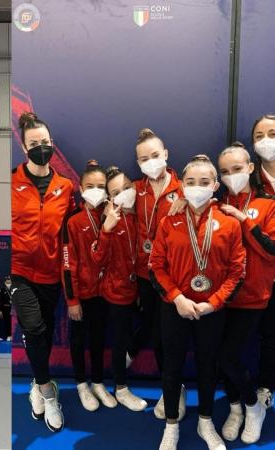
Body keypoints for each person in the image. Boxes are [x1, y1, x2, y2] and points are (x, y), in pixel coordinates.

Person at [150, 155, 246, 450]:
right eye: (190, 182)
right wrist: (177, 298)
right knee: (172, 366)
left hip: (211, 310)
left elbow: (237, 271)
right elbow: (156, 265)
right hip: (175, 306)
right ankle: (171, 425)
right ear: (182, 186)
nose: (197, 187)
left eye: (204, 182)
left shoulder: (229, 224)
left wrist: (214, 303)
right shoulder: (170, 221)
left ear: (216, 185)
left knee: (207, 365)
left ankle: (206, 421)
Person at [11, 112, 75, 432]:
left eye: (45, 142)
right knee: (34, 329)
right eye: (34, 143)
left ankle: (37, 382)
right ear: (24, 148)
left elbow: (68, 234)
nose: (41, 147)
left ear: (52, 144)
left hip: (50, 274)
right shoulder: (9, 182)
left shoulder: (65, 187)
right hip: (19, 271)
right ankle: (49, 393)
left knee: (45, 333)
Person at [216, 143, 274, 443]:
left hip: (253, 296)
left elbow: (272, 250)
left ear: (250, 168)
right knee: (218, 355)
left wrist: (243, 220)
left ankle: (254, 408)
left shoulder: (267, 203)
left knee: (229, 354)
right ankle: (236, 407)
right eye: (224, 171)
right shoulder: (219, 201)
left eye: (236, 169)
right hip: (222, 296)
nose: (231, 176)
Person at [127, 128, 187, 420]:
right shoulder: (134, 189)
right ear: (137, 163)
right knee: (151, 329)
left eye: (155, 155)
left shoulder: (185, 188)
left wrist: (188, 199)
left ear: (166, 154)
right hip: (142, 273)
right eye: (143, 158)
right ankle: (170, 385)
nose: (150, 161)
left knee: (167, 337)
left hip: (171, 275)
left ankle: (174, 390)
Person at [93, 166, 147, 411]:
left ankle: (129, 354)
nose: (124, 194)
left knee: (151, 327)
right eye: (116, 192)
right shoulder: (110, 219)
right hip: (117, 291)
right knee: (120, 339)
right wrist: (106, 229)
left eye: (127, 188)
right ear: (109, 197)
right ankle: (121, 388)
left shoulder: (141, 215)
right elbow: (97, 259)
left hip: (141, 286)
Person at [61, 160, 113, 412]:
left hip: (106, 292)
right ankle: (82, 384)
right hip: (82, 294)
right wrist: (72, 299)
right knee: (79, 341)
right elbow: (67, 262)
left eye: (101, 186)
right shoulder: (72, 220)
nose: (95, 190)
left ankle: (98, 382)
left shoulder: (112, 215)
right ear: (80, 188)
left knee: (99, 340)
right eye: (90, 186)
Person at [251, 113, 275, 409]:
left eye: (272, 133)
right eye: (259, 136)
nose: (266, 141)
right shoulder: (250, 180)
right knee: (269, 336)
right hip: (263, 273)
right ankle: (264, 390)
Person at [1, 276, 13, 341]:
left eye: (9, 282)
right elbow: (1, 301)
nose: (8, 283)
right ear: (5, 283)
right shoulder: (3, 290)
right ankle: (8, 335)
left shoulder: (14, 289)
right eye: (7, 282)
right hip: (6, 309)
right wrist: (1, 310)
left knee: (13, 323)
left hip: (13, 309)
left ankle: (13, 335)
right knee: (7, 323)